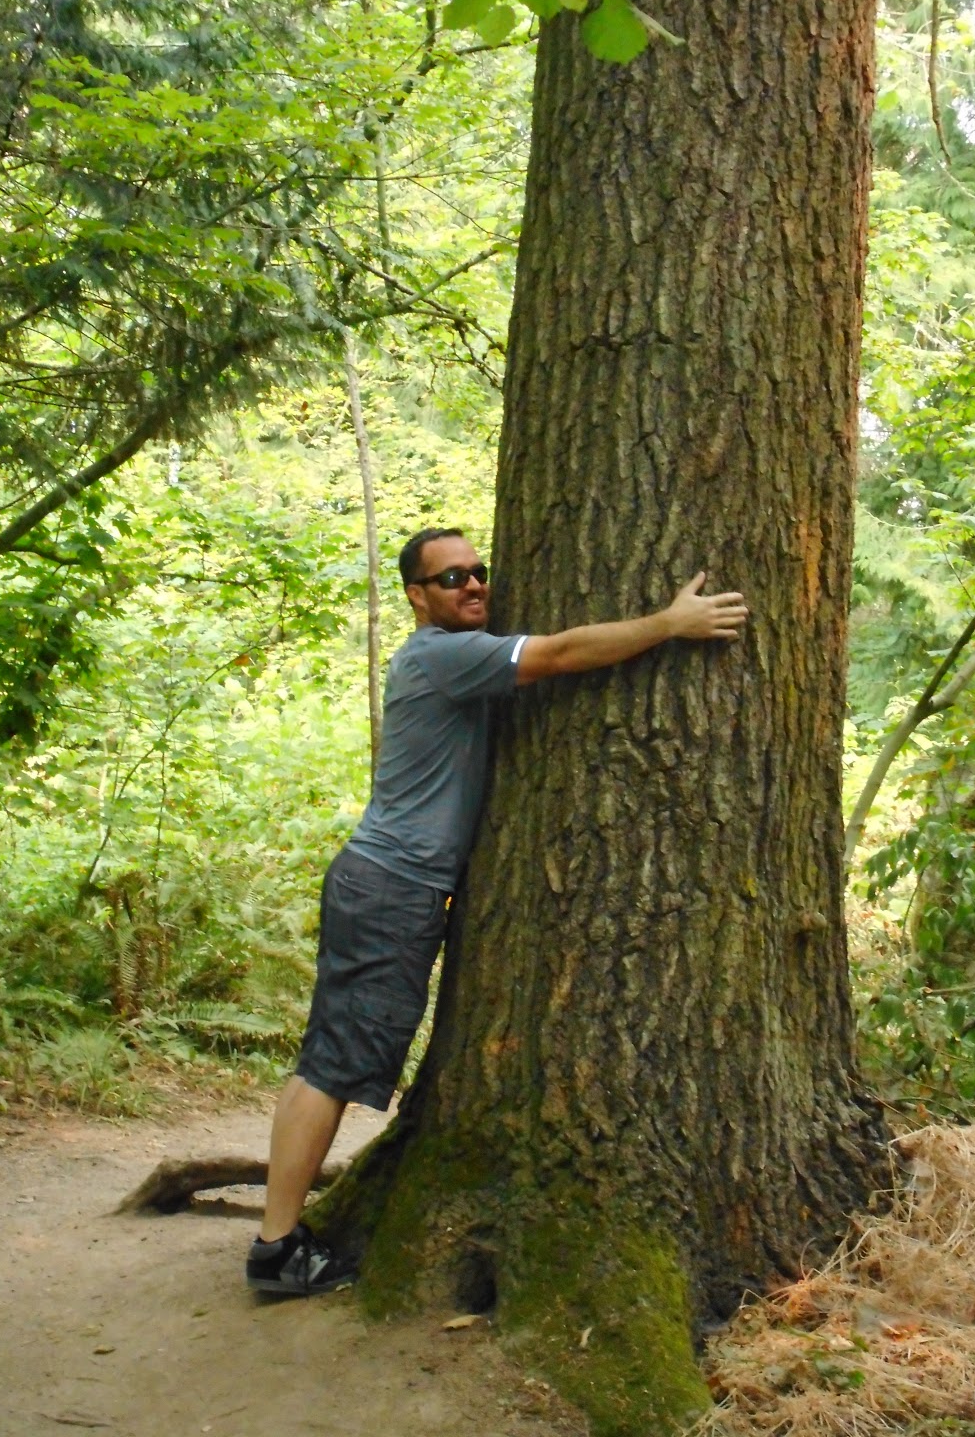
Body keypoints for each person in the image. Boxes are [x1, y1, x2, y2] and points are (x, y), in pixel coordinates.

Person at [246, 527, 748, 1295]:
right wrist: (669, 624)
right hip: (390, 889)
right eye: (451, 578)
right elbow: (561, 654)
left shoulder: (454, 657)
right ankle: (278, 1250)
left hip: (389, 885)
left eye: (478, 571)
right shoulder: (440, 657)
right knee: (336, 1064)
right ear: (417, 597)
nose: (474, 585)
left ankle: (280, 1240)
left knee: (328, 1057)